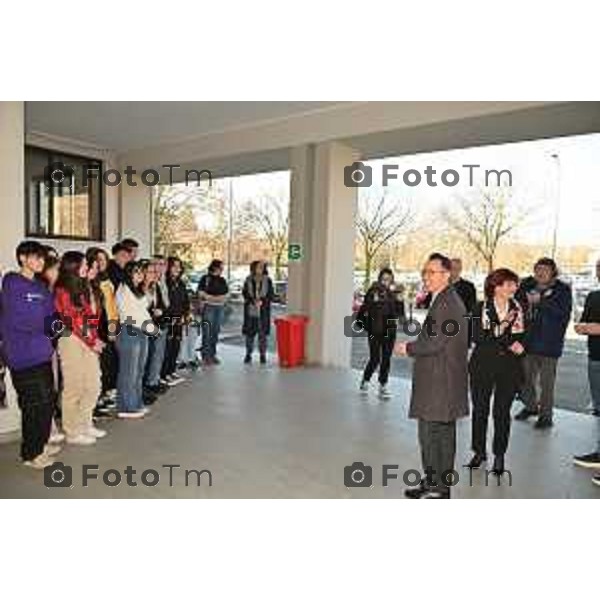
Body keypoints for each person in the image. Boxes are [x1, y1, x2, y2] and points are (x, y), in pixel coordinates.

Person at [394, 253, 469, 499]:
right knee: (442, 434)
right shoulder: (444, 299)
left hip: (439, 380)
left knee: (431, 435)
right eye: (424, 272)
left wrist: (408, 348)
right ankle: (437, 484)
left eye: (432, 272)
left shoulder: (447, 303)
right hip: (443, 377)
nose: (426, 277)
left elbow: (436, 341)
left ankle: (437, 487)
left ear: (447, 275)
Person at [0, 241, 58, 468]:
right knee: (35, 404)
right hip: (22, 354)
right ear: (23, 258)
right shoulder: (12, 283)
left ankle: (40, 444)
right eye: (36, 257)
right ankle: (32, 453)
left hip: (42, 352)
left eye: (43, 258)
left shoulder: (41, 288)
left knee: (46, 402)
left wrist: (55, 328)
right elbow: (20, 319)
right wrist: (47, 326)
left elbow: (52, 316)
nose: (41, 262)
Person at [466, 268, 526, 476]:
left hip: (509, 367)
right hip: (482, 365)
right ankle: (479, 451)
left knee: (502, 413)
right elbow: (479, 337)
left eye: (515, 284)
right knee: (480, 410)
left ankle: (499, 455)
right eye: (509, 284)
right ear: (496, 286)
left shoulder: (518, 307)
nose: (514, 288)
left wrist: (519, 344)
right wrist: (508, 338)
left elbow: (522, 335)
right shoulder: (479, 308)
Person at [55, 251, 106, 444]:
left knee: (93, 384)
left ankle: (85, 423)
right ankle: (72, 431)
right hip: (70, 340)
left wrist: (94, 338)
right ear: (73, 267)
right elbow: (74, 319)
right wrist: (93, 341)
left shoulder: (82, 288)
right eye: (85, 264)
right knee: (74, 387)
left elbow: (89, 318)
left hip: (87, 339)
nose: (88, 268)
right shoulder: (63, 290)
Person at [514, 257, 572, 428]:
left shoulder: (562, 290)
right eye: (538, 269)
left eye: (545, 270)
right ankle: (531, 407)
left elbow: (562, 314)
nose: (540, 273)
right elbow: (516, 304)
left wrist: (542, 302)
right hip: (528, 341)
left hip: (549, 344)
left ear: (553, 272)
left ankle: (546, 417)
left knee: (546, 384)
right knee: (524, 379)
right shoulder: (527, 285)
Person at [572, 258, 600, 483]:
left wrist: (596, 328)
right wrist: (585, 328)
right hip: (595, 359)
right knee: (599, 410)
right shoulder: (593, 297)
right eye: (599, 268)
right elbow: (581, 325)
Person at [358, 267, 405, 398]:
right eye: (384, 279)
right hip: (375, 330)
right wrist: (367, 326)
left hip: (389, 330)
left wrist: (400, 301)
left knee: (386, 359)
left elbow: (401, 316)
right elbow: (365, 309)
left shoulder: (394, 294)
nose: (386, 282)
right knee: (375, 358)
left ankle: (383, 385)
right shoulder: (373, 292)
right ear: (379, 279)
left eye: (389, 280)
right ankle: (365, 380)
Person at [115, 261, 154, 418]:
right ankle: (126, 407)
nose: (140, 275)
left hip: (141, 331)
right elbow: (132, 314)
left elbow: (145, 307)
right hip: (130, 331)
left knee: (138, 371)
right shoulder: (123, 290)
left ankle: (136, 402)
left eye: (141, 272)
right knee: (129, 371)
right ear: (129, 273)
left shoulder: (136, 289)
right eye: (136, 272)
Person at [86, 247, 119, 415]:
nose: (102, 262)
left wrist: (113, 328)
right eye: (98, 259)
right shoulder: (90, 281)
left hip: (110, 324)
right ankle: (95, 401)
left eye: (104, 259)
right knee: (100, 366)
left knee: (109, 363)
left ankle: (104, 394)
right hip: (97, 327)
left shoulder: (107, 279)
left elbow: (112, 306)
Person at [161, 257, 190, 384]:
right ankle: (163, 374)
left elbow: (185, 301)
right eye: (174, 266)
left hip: (179, 320)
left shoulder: (180, 283)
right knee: (166, 348)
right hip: (168, 320)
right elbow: (164, 303)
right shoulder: (164, 283)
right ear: (168, 267)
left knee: (175, 346)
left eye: (179, 266)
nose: (177, 269)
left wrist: (186, 314)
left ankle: (171, 371)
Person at [143, 259, 169, 397]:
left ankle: (152, 382)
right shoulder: (138, 288)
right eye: (151, 272)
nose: (154, 274)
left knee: (155, 355)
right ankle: (145, 386)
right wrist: (152, 312)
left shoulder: (156, 286)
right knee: (145, 358)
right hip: (143, 327)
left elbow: (163, 304)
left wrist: (160, 311)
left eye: (155, 272)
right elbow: (137, 310)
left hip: (157, 324)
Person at [242, 260, 275, 365]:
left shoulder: (268, 280)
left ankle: (262, 355)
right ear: (253, 268)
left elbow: (270, 295)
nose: (260, 269)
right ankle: (248, 354)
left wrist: (262, 301)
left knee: (262, 334)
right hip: (250, 310)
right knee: (249, 334)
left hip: (263, 310)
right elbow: (245, 293)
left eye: (262, 267)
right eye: (258, 267)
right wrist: (253, 301)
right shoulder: (248, 279)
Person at [198, 259, 229, 365]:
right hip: (208, 308)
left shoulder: (222, 280)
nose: (222, 269)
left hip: (219, 309)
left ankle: (212, 354)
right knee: (207, 332)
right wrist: (215, 298)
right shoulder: (205, 278)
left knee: (215, 332)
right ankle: (206, 355)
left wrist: (211, 297)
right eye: (221, 267)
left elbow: (225, 296)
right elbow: (201, 293)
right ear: (215, 267)